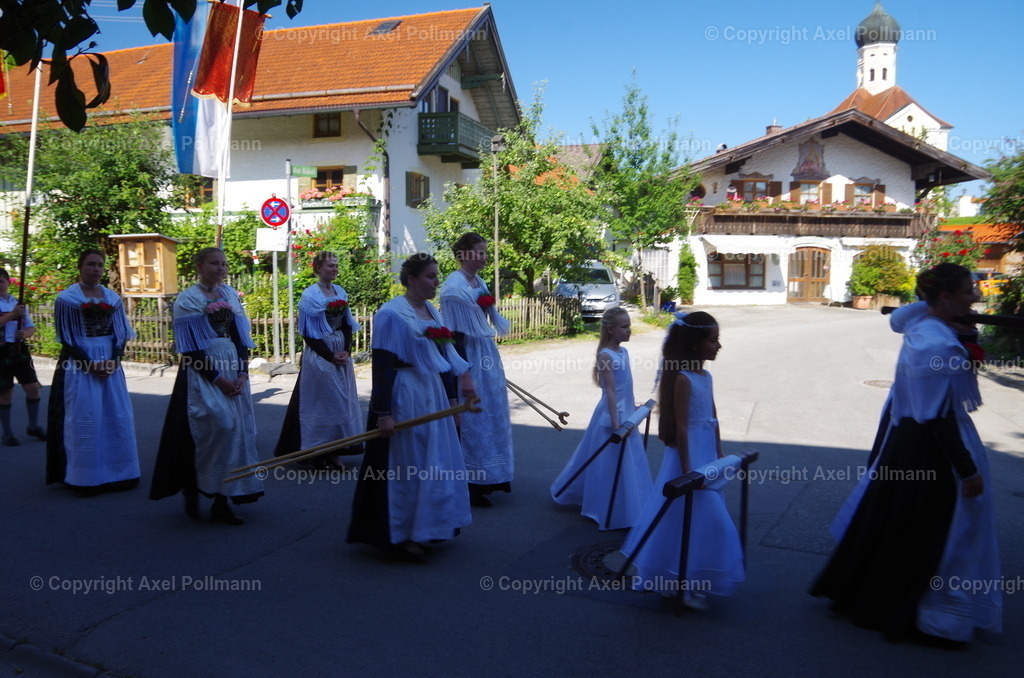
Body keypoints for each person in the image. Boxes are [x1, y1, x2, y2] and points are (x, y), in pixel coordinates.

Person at [811, 263, 1001, 643]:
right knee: (931, 530)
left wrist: (952, 318)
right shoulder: (939, 344)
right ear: (945, 296)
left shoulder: (923, 325)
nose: (976, 297)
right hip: (929, 447)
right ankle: (927, 615)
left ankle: (871, 594)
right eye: (968, 290)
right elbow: (939, 418)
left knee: (894, 522)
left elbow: (901, 317)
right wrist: (967, 471)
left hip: (907, 440)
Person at [347, 253, 474, 560]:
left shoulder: (433, 311)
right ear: (412, 279)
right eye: (431, 276)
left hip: (432, 392)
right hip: (406, 394)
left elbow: (444, 360)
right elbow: (382, 366)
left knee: (435, 462)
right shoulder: (391, 314)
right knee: (410, 465)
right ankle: (404, 534)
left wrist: (453, 401)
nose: (436, 282)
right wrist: (384, 413)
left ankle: (429, 527)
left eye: (437, 276)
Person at [621, 311, 744, 609]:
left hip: (706, 453)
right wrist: (688, 468)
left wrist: (719, 451)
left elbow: (712, 416)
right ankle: (678, 579)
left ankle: (681, 578)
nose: (718, 346)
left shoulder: (706, 376)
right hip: (688, 457)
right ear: (694, 345)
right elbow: (681, 426)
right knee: (699, 515)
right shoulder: (683, 379)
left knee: (695, 518)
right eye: (713, 340)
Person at [149, 247, 262, 524]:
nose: (221, 268)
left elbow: (241, 338)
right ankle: (195, 484)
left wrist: (242, 373)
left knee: (236, 433)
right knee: (217, 427)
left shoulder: (230, 295)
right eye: (214, 263)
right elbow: (190, 350)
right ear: (199, 266)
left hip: (231, 366)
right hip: (204, 372)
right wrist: (219, 380)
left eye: (223, 264)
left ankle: (222, 501)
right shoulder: (188, 299)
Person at [44, 250, 140, 493]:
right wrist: (89, 364)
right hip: (80, 363)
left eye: (99, 265)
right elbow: (67, 338)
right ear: (80, 267)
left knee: (113, 413)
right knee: (85, 415)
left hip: (108, 361)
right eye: (90, 264)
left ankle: (120, 473)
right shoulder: (67, 299)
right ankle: (85, 476)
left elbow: (120, 334)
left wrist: (114, 360)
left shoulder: (113, 298)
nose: (96, 269)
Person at [550, 307, 653, 530]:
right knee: (607, 460)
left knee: (628, 461)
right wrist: (616, 422)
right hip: (611, 414)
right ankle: (604, 505)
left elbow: (626, 385)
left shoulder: (624, 352)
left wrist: (633, 406)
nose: (629, 330)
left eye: (629, 326)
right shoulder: (605, 355)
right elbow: (611, 390)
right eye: (624, 327)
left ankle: (629, 505)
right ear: (611, 329)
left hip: (626, 410)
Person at [440, 232, 513, 507]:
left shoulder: (478, 281)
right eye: (479, 252)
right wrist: (465, 374)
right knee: (472, 418)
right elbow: (454, 336)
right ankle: (470, 482)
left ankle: (491, 476)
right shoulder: (453, 288)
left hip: (484, 353)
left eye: (485, 252)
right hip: (467, 356)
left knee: (491, 413)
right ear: (464, 254)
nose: (484, 257)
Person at [275, 251, 363, 467]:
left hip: (339, 352)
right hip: (321, 355)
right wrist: (330, 356)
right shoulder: (310, 296)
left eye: (336, 265)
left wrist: (346, 351)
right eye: (330, 265)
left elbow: (346, 324)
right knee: (322, 403)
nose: (335, 269)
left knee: (342, 402)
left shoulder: (340, 291)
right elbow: (308, 333)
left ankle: (335, 450)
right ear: (318, 268)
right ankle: (318, 451)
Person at [0, 268, 46, 446]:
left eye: (1, 281)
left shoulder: (17, 302)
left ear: (8, 282)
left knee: (33, 388)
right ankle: (7, 433)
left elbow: (31, 327)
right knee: (5, 392)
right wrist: (12, 314)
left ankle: (33, 426)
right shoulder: (15, 308)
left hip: (19, 350)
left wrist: (25, 334)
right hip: (1, 352)